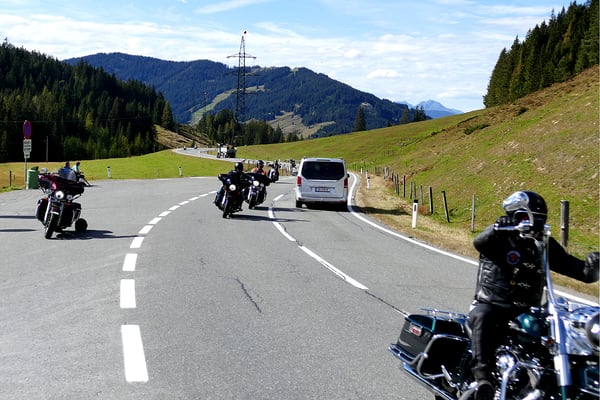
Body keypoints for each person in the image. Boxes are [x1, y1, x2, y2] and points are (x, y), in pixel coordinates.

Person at [467, 190, 599, 400]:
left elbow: (579, 271)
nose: (533, 224)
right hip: (494, 306)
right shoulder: (498, 238)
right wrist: (499, 227)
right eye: (526, 217)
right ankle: (483, 381)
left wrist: (593, 266)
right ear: (513, 215)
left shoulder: (542, 244)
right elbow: (479, 242)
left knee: (563, 332)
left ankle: (546, 386)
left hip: (529, 312)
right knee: (483, 316)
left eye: (539, 219)